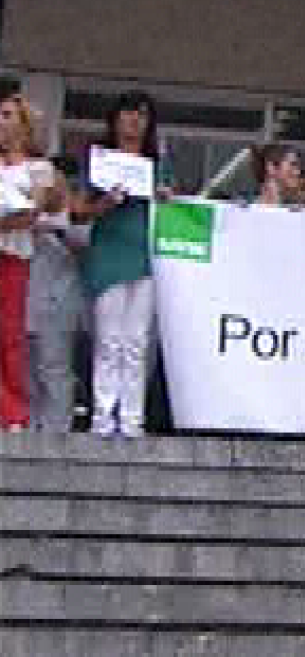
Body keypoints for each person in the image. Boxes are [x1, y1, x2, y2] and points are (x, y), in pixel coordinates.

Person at [73, 90, 171, 438]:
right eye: (129, 114)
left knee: (136, 342)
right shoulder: (98, 160)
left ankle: (132, 420)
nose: (134, 121)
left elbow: (172, 207)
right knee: (108, 340)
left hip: (144, 256)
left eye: (142, 115)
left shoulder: (157, 162)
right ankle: (102, 418)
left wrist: (166, 199)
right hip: (110, 254)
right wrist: (105, 204)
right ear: (115, 119)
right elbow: (79, 209)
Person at [0, 95, 62, 430]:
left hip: (13, 256)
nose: (1, 122)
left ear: (23, 125)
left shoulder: (38, 169)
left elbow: (33, 213)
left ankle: (13, 412)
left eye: (7, 116)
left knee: (9, 333)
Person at [28, 154, 87, 432]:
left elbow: (83, 243)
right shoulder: (27, 209)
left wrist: (58, 222)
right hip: (26, 298)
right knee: (24, 369)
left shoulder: (79, 212)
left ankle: (56, 433)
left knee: (54, 369)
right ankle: (26, 428)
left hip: (61, 300)